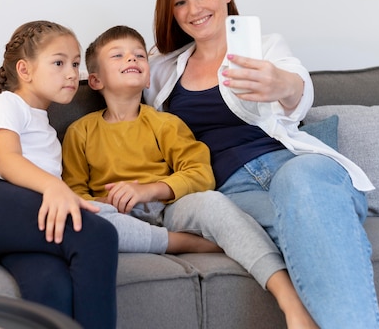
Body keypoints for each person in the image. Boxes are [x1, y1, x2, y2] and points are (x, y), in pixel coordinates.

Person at [0, 0, 379, 328]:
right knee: (210, 215)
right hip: (228, 192)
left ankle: (306, 305)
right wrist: (0, 75)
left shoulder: (263, 50)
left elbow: (298, 87)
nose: (194, 9)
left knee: (305, 191)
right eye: (180, 2)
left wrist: (283, 85)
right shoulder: (164, 67)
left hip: (288, 169)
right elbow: (94, 69)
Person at [62, 25, 317, 328]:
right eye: (117, 55)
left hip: (168, 209)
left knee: (212, 203)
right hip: (115, 215)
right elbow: (73, 191)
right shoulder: (81, 132)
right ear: (95, 79)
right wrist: (105, 201)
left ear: (148, 76)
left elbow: (200, 174)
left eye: (139, 55)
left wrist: (149, 190)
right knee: (84, 222)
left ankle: (287, 296)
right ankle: (188, 243)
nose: (131, 58)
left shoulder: (166, 124)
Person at [0, 20, 119, 329]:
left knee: (51, 284)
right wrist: (55, 187)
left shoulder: (50, 133)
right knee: (99, 236)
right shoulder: (7, 103)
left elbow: (68, 76)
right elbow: (7, 160)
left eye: (75, 63)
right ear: (24, 71)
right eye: (59, 62)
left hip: (16, 226)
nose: (71, 73)